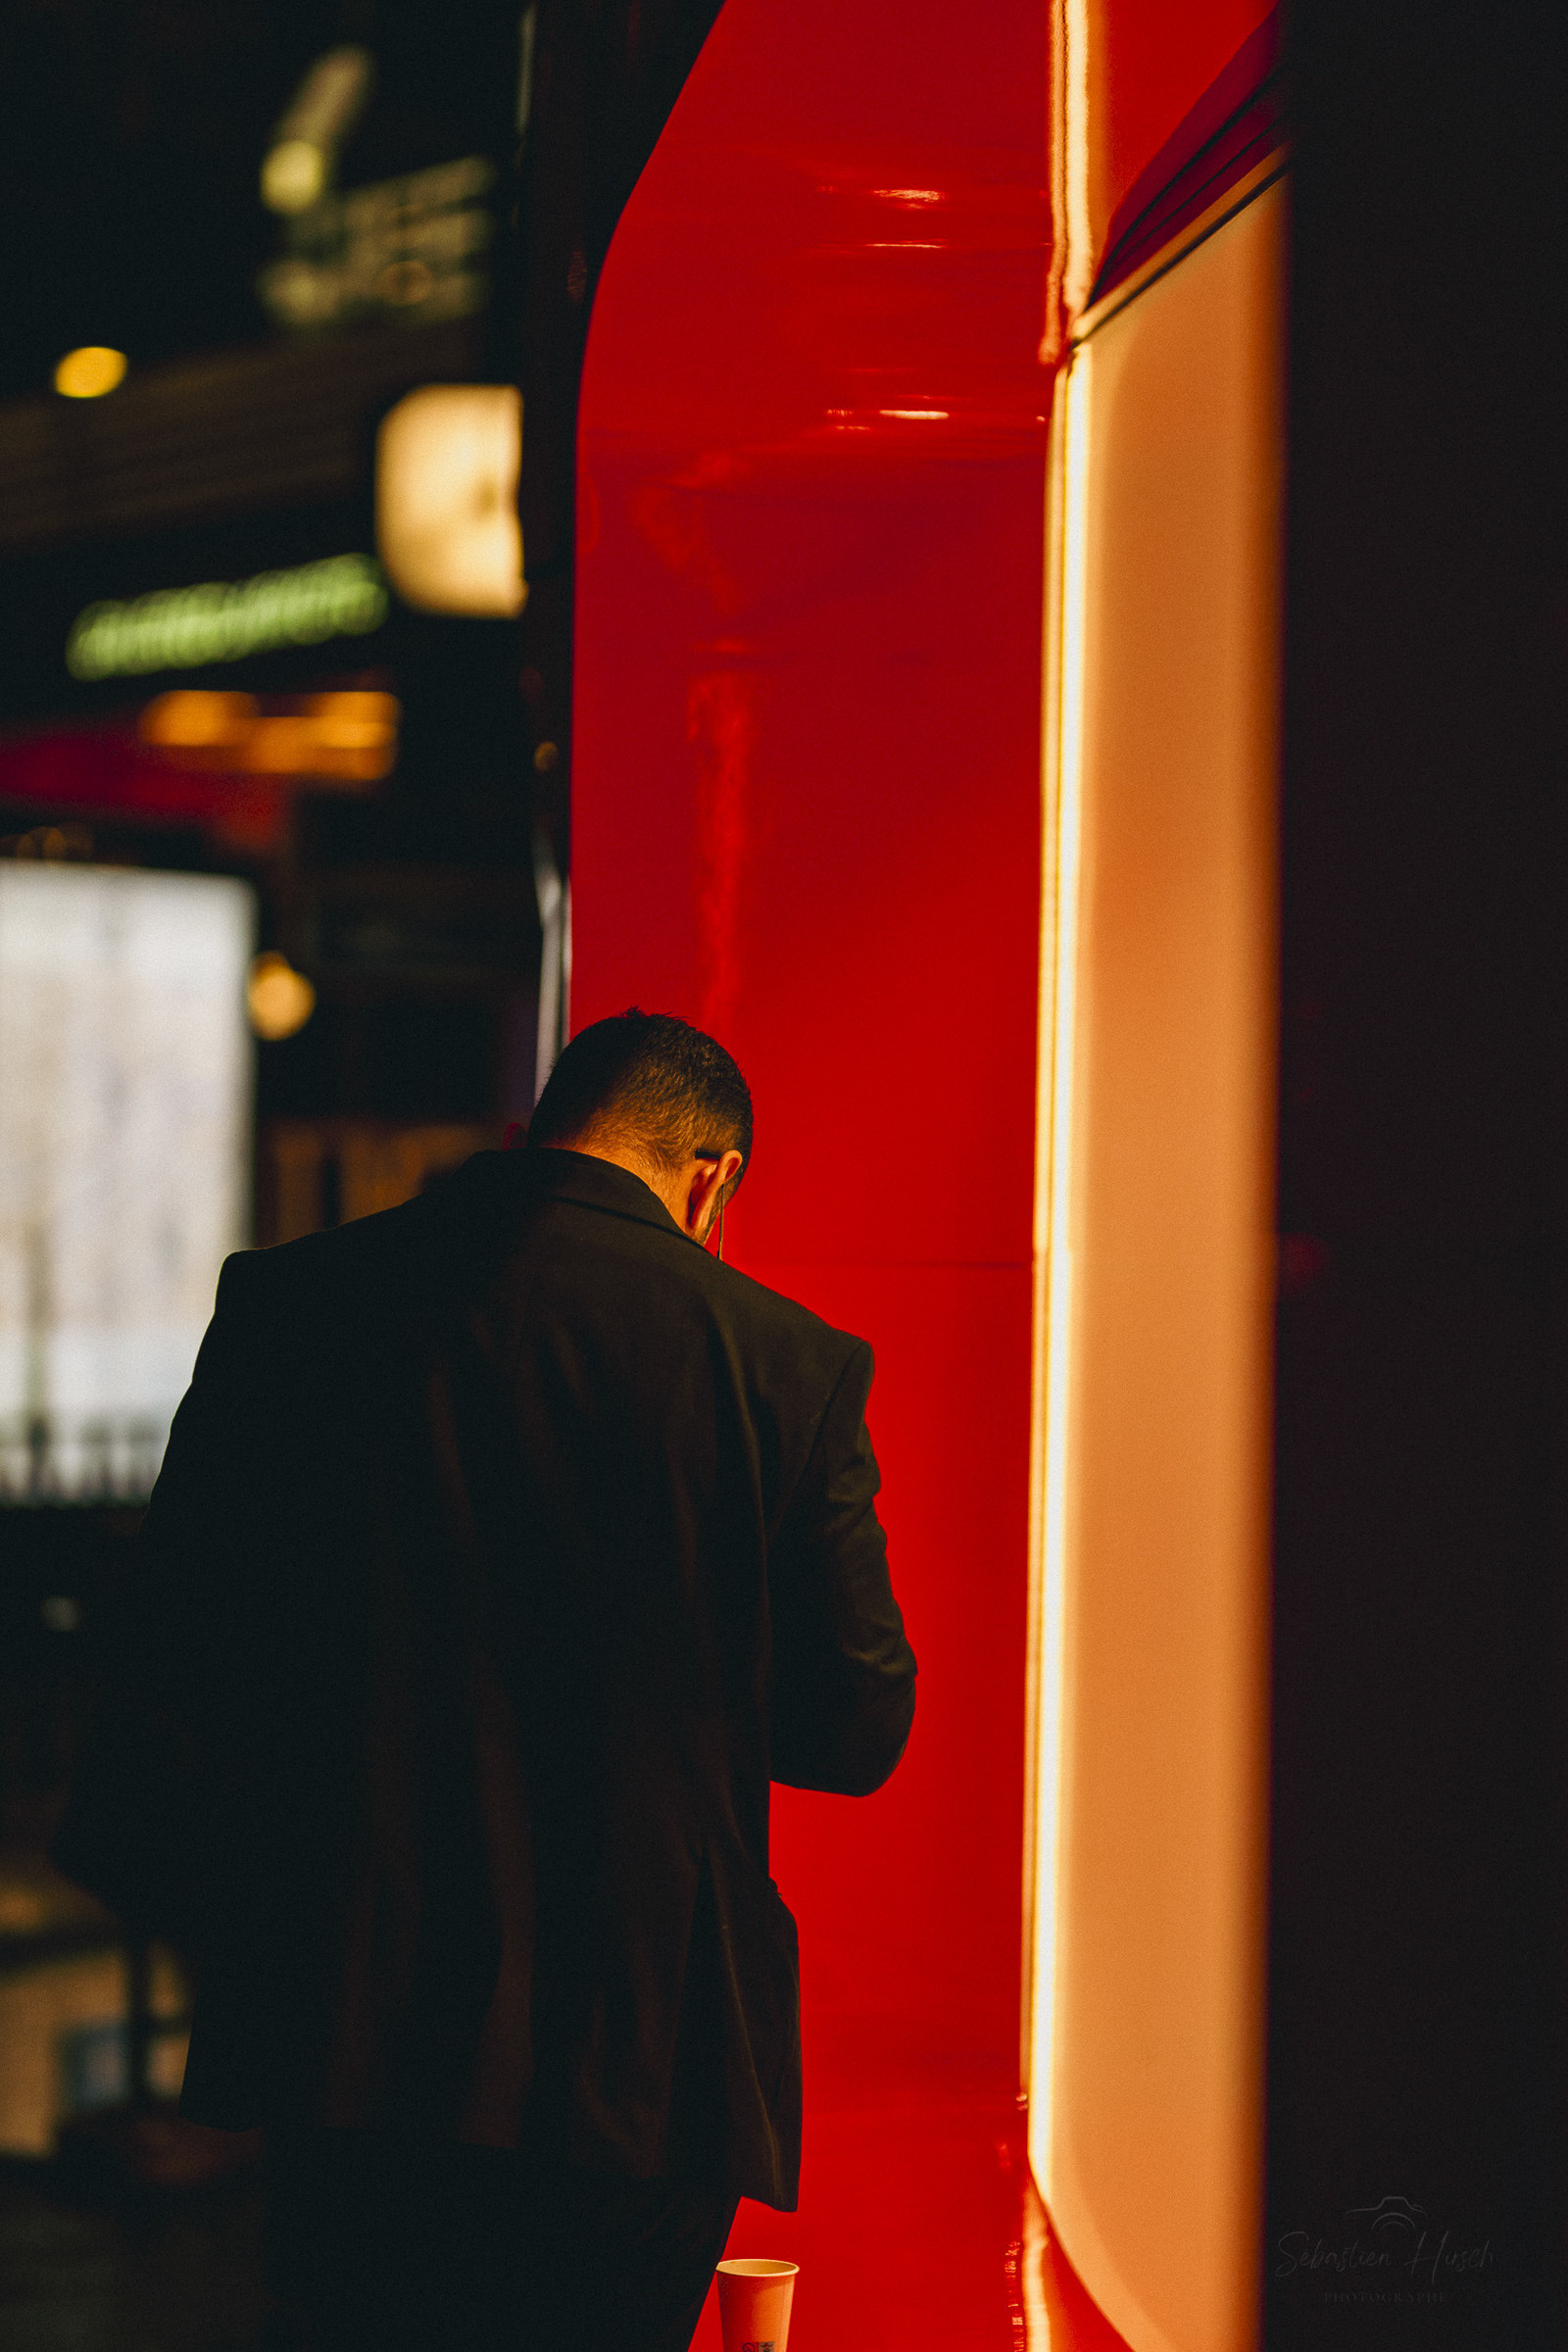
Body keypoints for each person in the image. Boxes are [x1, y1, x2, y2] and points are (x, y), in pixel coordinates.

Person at [53, 1008, 916, 2351]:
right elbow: (855, 1726)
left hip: (346, 2018)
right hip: (637, 2052)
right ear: (712, 1179)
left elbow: (176, 1652)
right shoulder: (783, 1365)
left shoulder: (295, 1305)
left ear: (544, 1128)